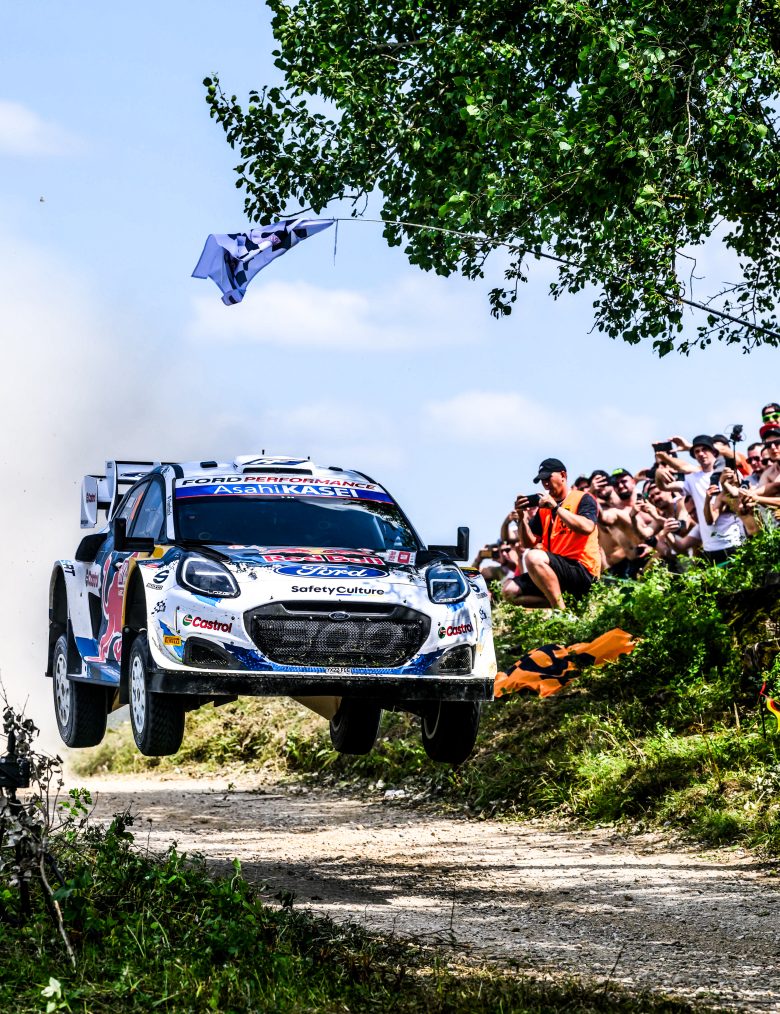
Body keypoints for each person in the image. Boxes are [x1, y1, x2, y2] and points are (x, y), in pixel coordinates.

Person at [512, 457, 600, 609]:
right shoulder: (543, 510)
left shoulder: (583, 498)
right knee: (510, 591)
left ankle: (561, 614)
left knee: (533, 557)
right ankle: (563, 603)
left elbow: (587, 527)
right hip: (556, 570)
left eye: (548, 478)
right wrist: (522, 518)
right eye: (542, 480)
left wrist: (556, 508)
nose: (545, 484)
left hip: (582, 570)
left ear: (563, 475)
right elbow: (527, 543)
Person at [656, 434, 744, 563]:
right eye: (697, 451)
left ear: (714, 451)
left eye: (705, 449)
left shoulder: (728, 472)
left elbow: (739, 495)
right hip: (711, 547)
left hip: (735, 541)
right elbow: (664, 487)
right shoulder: (692, 479)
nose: (701, 454)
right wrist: (658, 475)